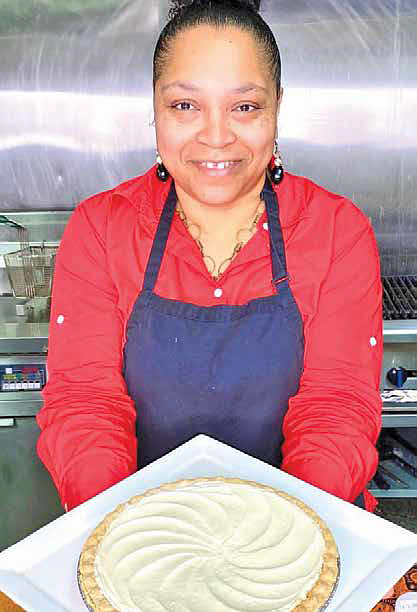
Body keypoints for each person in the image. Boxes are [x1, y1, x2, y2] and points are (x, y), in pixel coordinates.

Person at [37, 0, 383, 513]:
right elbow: (88, 406)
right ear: (154, 107)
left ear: (277, 108)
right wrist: (116, 532)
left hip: (307, 526)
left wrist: (292, 536)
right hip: (141, 531)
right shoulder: (101, 228)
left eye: (245, 107)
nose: (216, 135)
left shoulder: (336, 230)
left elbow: (333, 410)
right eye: (185, 106)